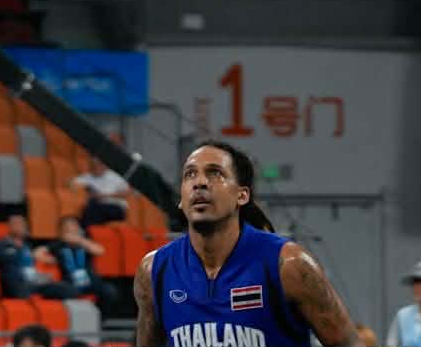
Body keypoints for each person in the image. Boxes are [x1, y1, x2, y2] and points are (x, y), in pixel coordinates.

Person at [135, 140, 360, 347]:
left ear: (242, 196)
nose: (200, 182)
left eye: (215, 173)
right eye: (190, 174)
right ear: (181, 200)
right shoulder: (154, 270)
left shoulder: (289, 265)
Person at [0, 213, 79, 301]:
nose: (21, 227)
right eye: (16, 224)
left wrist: (47, 263)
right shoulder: (2, 244)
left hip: (33, 281)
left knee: (69, 289)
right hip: (17, 283)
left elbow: (33, 261)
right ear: (10, 227)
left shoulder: (27, 246)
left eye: (22, 224)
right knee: (24, 292)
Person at [41, 214, 118, 314]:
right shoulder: (58, 245)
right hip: (70, 283)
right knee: (69, 291)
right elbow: (37, 252)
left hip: (90, 282)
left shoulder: (84, 244)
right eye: (67, 227)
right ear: (62, 231)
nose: (71, 229)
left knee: (110, 291)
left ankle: (99, 317)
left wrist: (80, 241)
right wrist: (49, 259)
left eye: (74, 226)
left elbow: (100, 251)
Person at [75, 158, 131, 228]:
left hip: (115, 207)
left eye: (100, 165)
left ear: (105, 166)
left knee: (93, 210)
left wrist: (104, 195)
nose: (97, 167)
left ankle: (87, 231)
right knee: (90, 208)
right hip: (95, 206)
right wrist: (86, 187)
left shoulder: (116, 177)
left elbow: (126, 193)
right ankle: (90, 231)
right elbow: (71, 184)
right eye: (94, 165)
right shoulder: (87, 177)